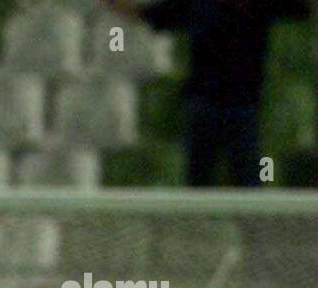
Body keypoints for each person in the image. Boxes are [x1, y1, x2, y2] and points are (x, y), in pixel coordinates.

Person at [101, 0, 310, 186]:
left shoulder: (259, 5)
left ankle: (255, 227)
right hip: (205, 107)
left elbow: (302, 9)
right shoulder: (199, 4)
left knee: (247, 183)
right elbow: (149, 15)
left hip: (243, 108)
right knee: (199, 183)